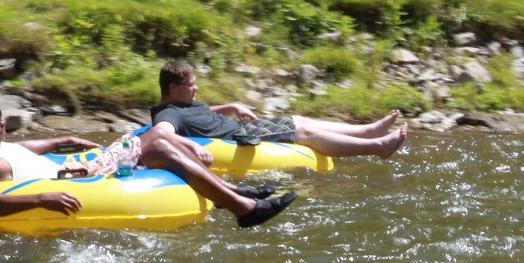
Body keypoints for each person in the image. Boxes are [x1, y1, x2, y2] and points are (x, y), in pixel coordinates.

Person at [0, 97, 296, 228]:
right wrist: (42, 198)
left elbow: (24, 148)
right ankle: (242, 206)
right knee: (157, 143)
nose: (2, 121)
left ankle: (236, 196)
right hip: (77, 179)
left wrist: (58, 141)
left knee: (156, 143)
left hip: (82, 168)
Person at [152, 60, 406, 158]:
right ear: (174, 87)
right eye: (191, 85)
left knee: (298, 118)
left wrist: (231, 106)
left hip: (243, 126)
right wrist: (193, 147)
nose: (196, 89)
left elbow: (200, 114)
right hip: (239, 138)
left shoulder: (182, 103)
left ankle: (369, 130)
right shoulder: (168, 113)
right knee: (304, 131)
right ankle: (377, 147)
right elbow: (162, 132)